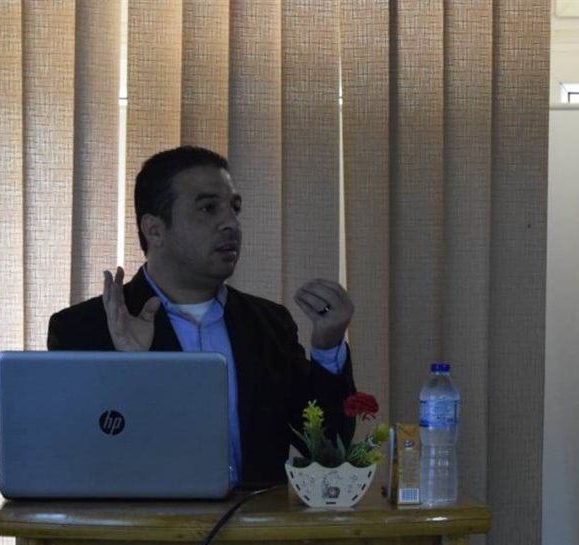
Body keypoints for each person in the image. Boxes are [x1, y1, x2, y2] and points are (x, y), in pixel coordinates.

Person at [47, 145, 357, 486]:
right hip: (146, 521)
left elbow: (328, 449)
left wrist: (328, 347)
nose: (231, 223)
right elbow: (79, 461)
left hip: (257, 520)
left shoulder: (270, 324)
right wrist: (133, 370)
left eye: (235, 209)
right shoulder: (84, 328)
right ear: (154, 229)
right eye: (208, 208)